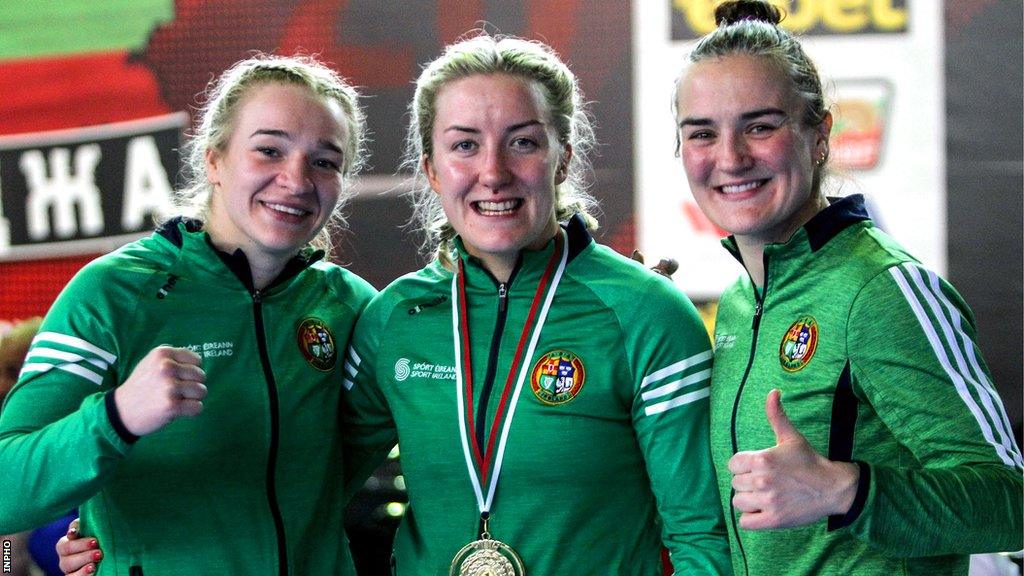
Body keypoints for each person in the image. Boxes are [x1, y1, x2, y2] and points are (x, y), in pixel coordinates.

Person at [340, 34, 731, 575]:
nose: (494, 172)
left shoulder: (646, 313)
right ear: (431, 168)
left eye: (522, 142)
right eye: (464, 145)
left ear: (563, 157)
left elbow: (701, 537)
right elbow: (300, 493)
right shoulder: (393, 318)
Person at [672, 1, 1023, 574]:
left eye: (760, 126)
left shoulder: (884, 288)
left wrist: (846, 491)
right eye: (702, 133)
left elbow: (1011, 502)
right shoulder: (739, 302)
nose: (730, 158)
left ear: (820, 135)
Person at [0, 54, 377, 575]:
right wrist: (116, 417)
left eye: (325, 161)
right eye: (269, 150)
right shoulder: (114, 292)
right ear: (214, 160)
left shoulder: (353, 306)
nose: (296, 179)